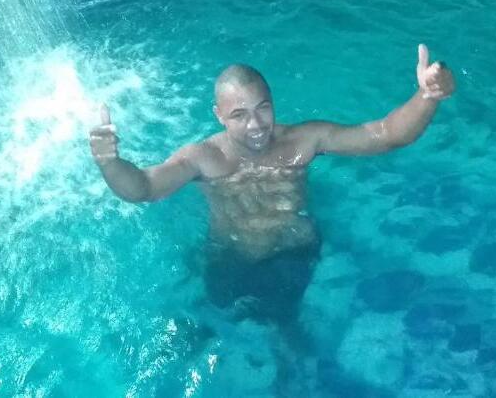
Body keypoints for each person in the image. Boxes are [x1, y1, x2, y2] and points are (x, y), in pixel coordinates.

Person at [89, 44, 455, 324]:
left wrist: (427, 97)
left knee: (287, 327)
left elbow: (386, 134)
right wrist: (110, 162)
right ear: (219, 115)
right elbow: (144, 187)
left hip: (293, 253)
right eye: (239, 115)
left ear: (273, 101)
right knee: (210, 325)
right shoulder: (203, 159)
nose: (255, 125)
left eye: (262, 108)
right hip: (229, 257)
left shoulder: (304, 140)